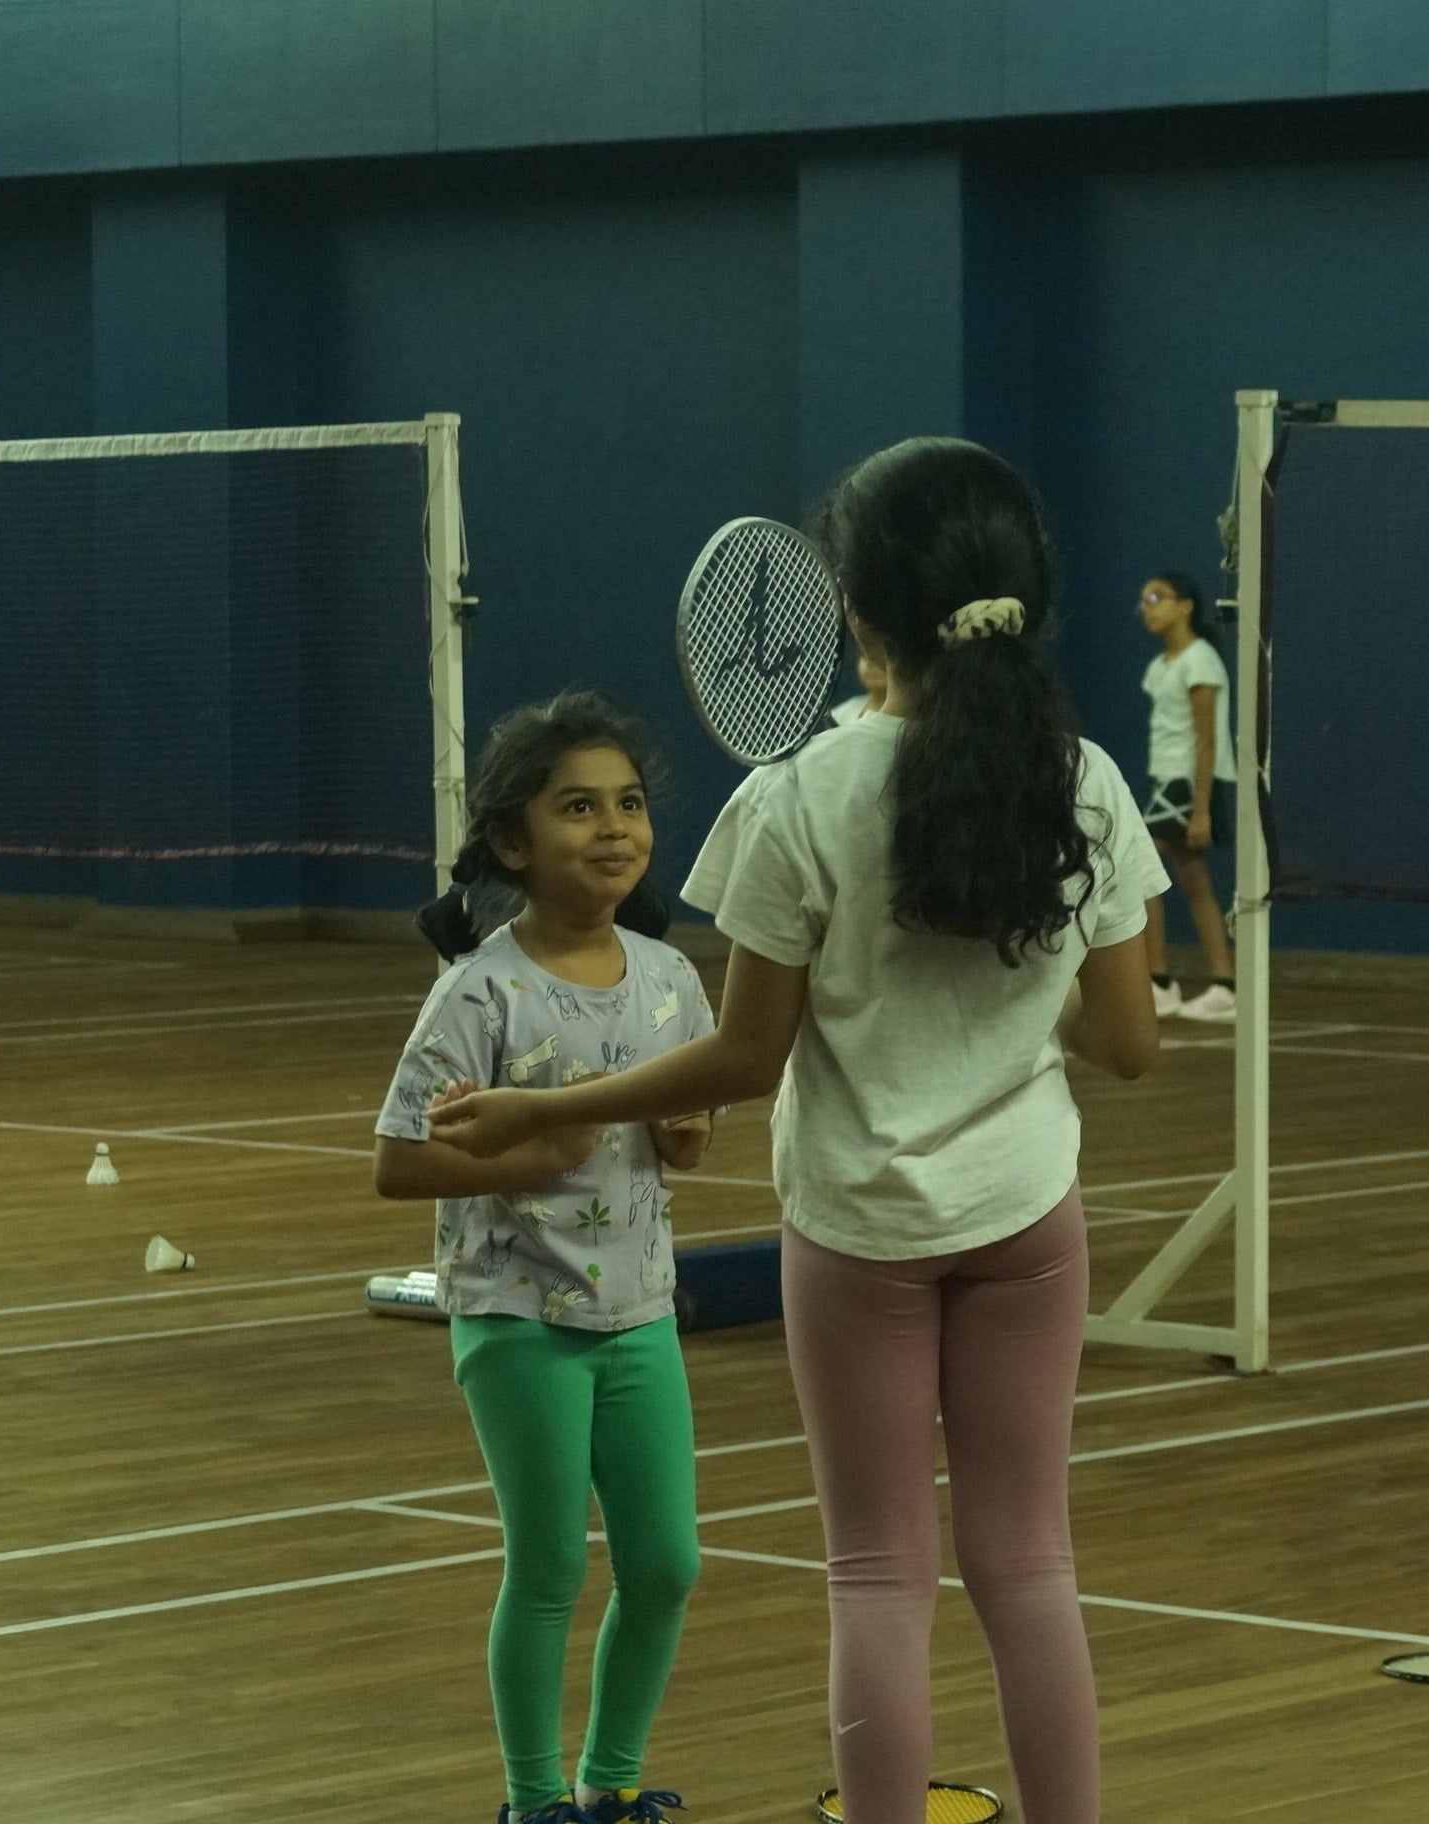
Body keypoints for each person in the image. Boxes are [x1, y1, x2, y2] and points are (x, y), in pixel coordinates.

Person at [427, 437, 1168, 1824]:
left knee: (879, 1571)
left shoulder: (801, 800)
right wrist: (1033, 971)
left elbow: (748, 1052)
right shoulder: (1088, 786)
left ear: (860, 614)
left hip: (856, 1233)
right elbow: (1128, 1045)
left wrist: (551, 1103)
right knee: (1030, 1565)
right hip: (1029, 1223)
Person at [371, 690, 718, 1824]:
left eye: (628, 803)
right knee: (553, 1570)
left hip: (640, 1313)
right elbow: (400, 1164)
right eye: (579, 808)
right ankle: (534, 1803)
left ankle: (609, 1785)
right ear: (514, 843)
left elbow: (689, 1138)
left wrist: (686, 1135)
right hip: (516, 1317)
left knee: (666, 1565)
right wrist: (532, 1151)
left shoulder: (671, 981)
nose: (614, 828)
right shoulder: (478, 990)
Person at [1135, 570, 1237, 1020]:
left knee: (1136, 866)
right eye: (1142, 600)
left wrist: (1201, 810)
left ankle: (1158, 981)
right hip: (1167, 781)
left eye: (1157, 597)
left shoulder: (1201, 661)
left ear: (1186, 606)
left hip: (1187, 784)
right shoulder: (1160, 668)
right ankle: (1224, 984)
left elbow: (1207, 739)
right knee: (1195, 882)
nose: (1147, 607)